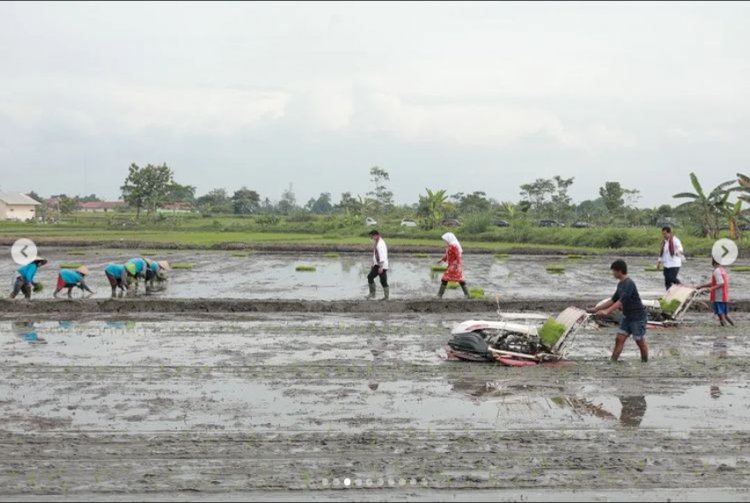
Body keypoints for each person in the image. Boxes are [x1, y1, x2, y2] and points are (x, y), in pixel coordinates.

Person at [590, 259, 648, 362]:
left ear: (620, 271)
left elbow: (621, 302)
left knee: (640, 341)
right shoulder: (620, 284)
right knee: (619, 339)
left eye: (614, 271)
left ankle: (645, 362)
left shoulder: (629, 283)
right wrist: (596, 309)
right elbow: (613, 300)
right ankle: (613, 361)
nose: (613, 273)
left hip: (637, 318)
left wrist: (607, 312)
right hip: (627, 317)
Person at [697, 258, 734, 327]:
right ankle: (733, 325)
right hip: (724, 295)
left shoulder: (716, 271)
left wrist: (711, 289)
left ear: (712, 263)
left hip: (719, 296)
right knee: (725, 313)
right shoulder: (722, 270)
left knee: (720, 313)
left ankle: (724, 326)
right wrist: (702, 286)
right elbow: (716, 282)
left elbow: (721, 283)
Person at [436, 232, 469, 298]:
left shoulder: (454, 246)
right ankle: (467, 295)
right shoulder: (450, 246)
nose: (445, 241)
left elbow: (458, 256)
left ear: (449, 239)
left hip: (454, 266)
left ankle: (439, 295)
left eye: (445, 240)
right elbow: (447, 255)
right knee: (460, 279)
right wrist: (442, 260)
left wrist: (459, 265)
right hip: (452, 266)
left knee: (445, 279)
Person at [657, 226, 685, 290]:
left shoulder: (675, 240)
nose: (664, 235)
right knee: (667, 281)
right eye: (663, 234)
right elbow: (662, 253)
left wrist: (677, 252)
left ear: (669, 233)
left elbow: (680, 248)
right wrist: (659, 262)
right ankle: (668, 294)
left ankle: (682, 287)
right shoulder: (664, 242)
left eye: (665, 234)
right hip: (666, 264)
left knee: (672, 278)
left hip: (674, 264)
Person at [366, 229, 389, 300]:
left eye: (372, 236)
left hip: (381, 265)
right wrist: (373, 263)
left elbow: (382, 255)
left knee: (372, 277)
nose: (371, 238)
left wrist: (381, 267)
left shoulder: (380, 244)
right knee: (380, 280)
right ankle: (382, 296)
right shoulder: (378, 242)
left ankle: (374, 294)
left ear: (376, 236)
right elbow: (376, 254)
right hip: (378, 264)